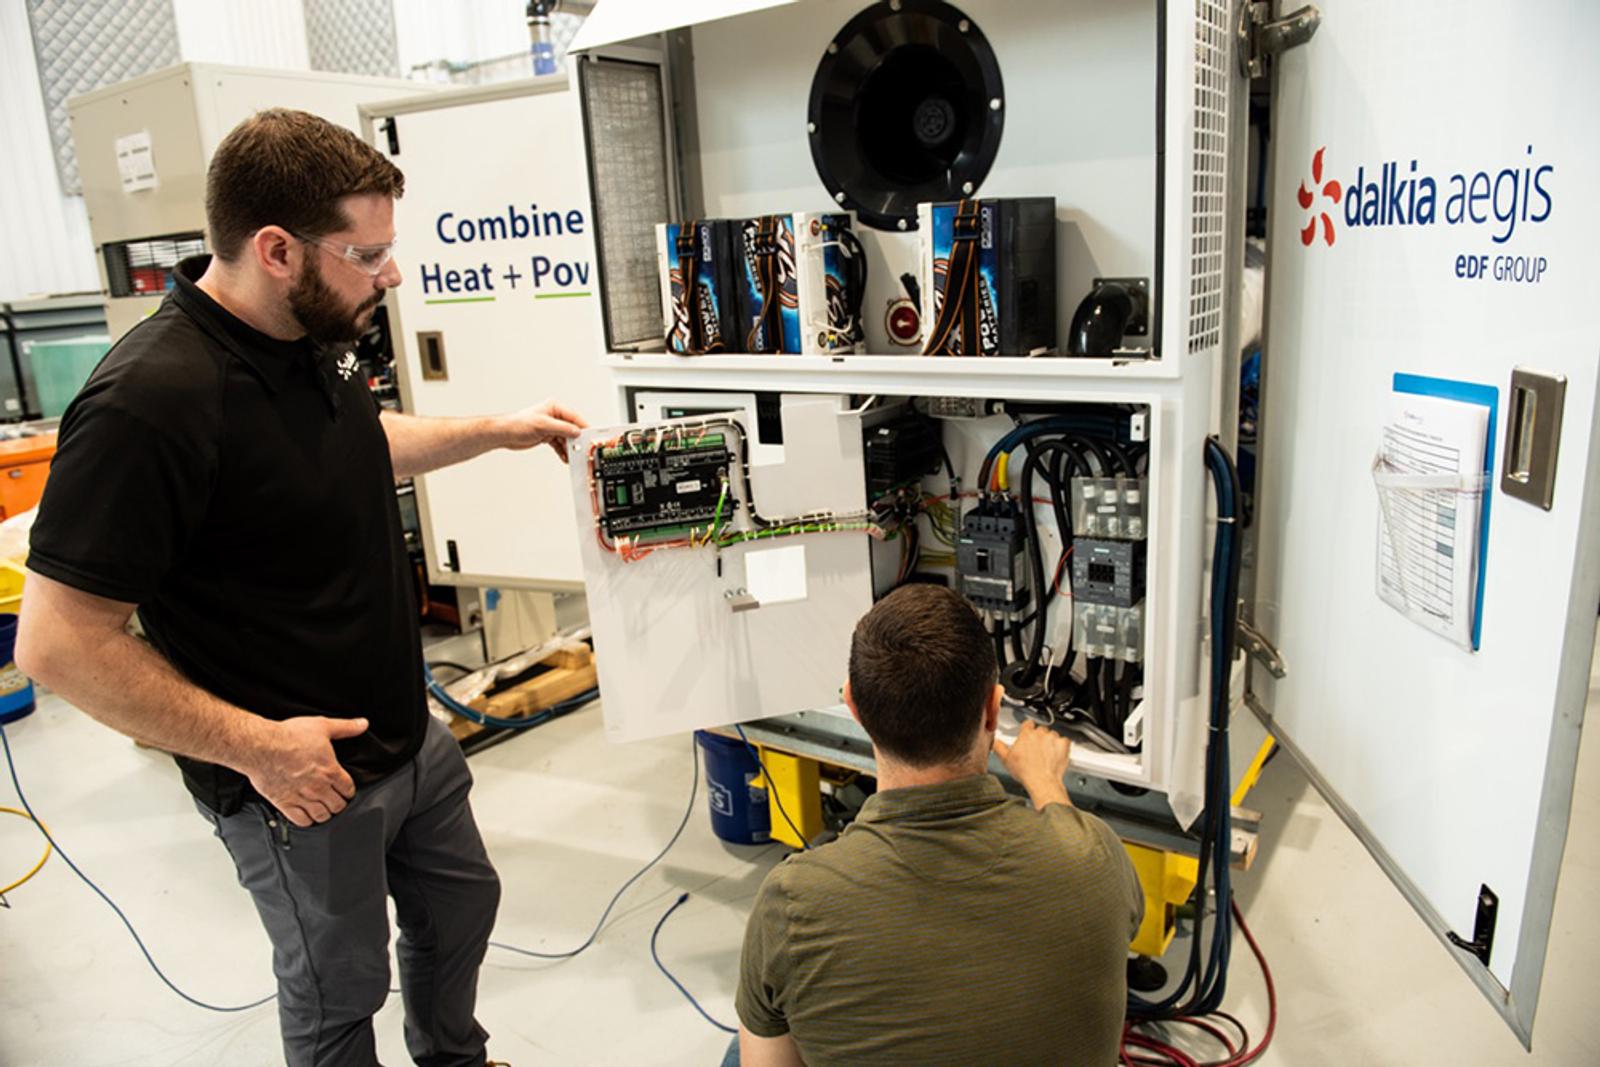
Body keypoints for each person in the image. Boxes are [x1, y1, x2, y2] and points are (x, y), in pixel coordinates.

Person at [15, 109, 586, 1067]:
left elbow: (353, 445)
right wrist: (259, 750)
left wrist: (498, 428)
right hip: (298, 780)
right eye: (368, 254)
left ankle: (456, 1056)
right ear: (277, 249)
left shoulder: (307, 331)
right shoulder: (149, 402)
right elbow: (57, 643)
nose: (390, 274)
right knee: (338, 985)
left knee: (462, 905)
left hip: (407, 733)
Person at [732, 584, 1144, 1066]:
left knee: (758, 1023)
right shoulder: (1094, 856)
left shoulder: (791, 903)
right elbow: (1082, 861)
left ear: (854, 709)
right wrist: (1047, 785)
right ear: (993, 709)